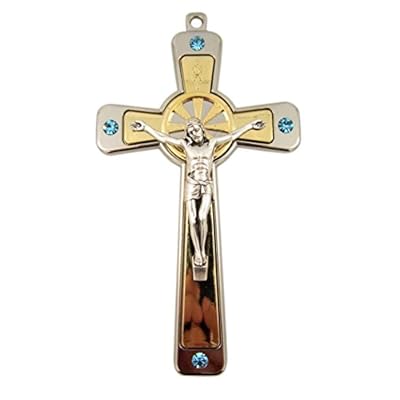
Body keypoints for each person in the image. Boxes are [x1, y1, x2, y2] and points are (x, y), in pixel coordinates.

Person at [132, 117, 264, 280]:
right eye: (190, 132)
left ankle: (202, 250)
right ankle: (198, 252)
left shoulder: (212, 144)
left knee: (202, 217)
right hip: (191, 183)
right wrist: (146, 128)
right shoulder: (186, 145)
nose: (194, 134)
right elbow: (164, 138)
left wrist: (249, 126)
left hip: (206, 183)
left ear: (202, 128)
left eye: (195, 129)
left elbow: (231, 136)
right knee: (192, 219)